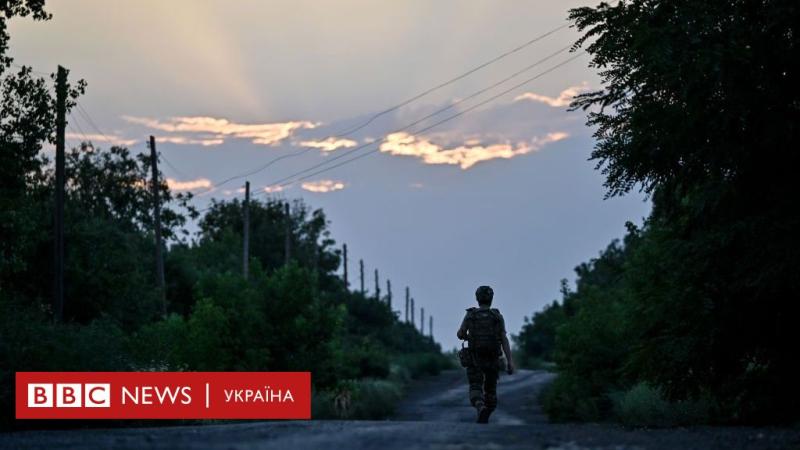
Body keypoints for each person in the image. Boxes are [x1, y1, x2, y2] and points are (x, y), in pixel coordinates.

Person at [456, 285, 514, 423]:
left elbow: (460, 333)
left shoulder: (471, 315)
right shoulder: (497, 316)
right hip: (492, 358)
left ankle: (480, 406)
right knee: (490, 390)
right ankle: (486, 410)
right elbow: (504, 339)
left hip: (475, 358)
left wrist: (465, 335)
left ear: (477, 298)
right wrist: (509, 361)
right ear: (491, 298)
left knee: (475, 386)